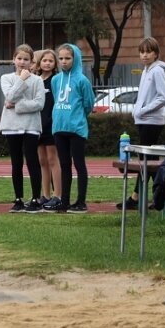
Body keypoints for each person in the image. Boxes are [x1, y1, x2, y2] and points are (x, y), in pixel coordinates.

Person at [116, 37, 165, 211]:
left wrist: (143, 110)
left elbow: (163, 97)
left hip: (152, 121)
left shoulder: (157, 71)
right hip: (143, 120)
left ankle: (138, 197)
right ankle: (160, 197)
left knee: (145, 160)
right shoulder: (146, 70)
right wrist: (138, 111)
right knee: (149, 160)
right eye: (142, 52)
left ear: (156, 53)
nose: (145, 55)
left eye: (148, 51)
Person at [43, 43, 95, 214]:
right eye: (61, 58)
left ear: (75, 59)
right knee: (64, 165)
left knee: (79, 164)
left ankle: (81, 201)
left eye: (68, 58)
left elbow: (88, 104)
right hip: (59, 128)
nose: (64, 62)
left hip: (77, 129)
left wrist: (77, 116)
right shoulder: (56, 80)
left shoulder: (82, 80)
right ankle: (63, 201)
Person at [0, 46, 46, 212]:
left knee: (32, 161)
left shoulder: (38, 80)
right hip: (12, 126)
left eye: (26, 59)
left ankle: (35, 199)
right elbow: (9, 96)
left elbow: (39, 103)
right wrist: (21, 80)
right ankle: (18, 199)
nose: (22, 62)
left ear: (31, 62)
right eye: (19, 58)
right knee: (16, 163)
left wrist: (17, 106)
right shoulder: (6, 78)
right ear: (13, 59)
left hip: (31, 126)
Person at [33, 49, 61, 206]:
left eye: (51, 61)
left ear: (54, 64)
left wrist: (51, 121)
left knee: (52, 159)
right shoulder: (36, 80)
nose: (47, 63)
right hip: (37, 125)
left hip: (51, 124)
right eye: (44, 60)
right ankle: (45, 195)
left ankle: (58, 195)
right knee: (42, 161)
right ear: (39, 63)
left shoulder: (56, 81)